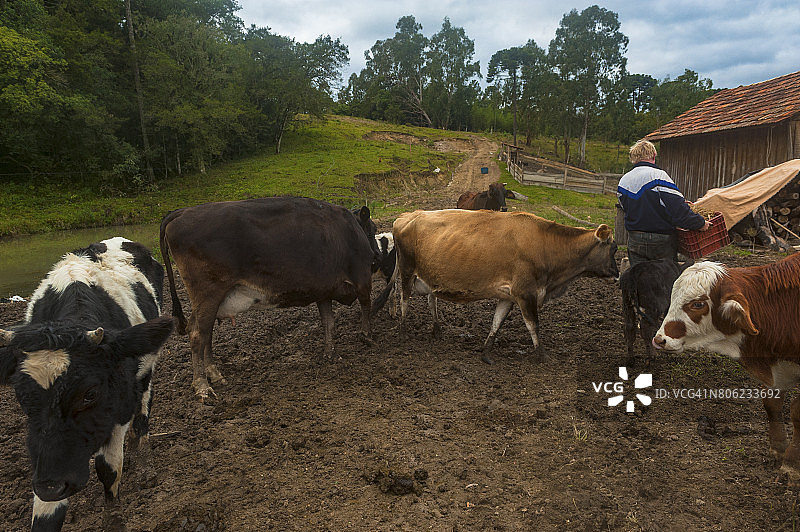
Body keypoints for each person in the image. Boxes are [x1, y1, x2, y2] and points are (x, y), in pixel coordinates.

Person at [617, 139, 710, 267]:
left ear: (634, 157)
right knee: (664, 281)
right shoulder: (659, 176)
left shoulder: (624, 180)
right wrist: (700, 223)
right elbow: (678, 209)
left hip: (634, 238)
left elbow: (625, 208)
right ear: (654, 155)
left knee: (639, 279)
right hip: (660, 240)